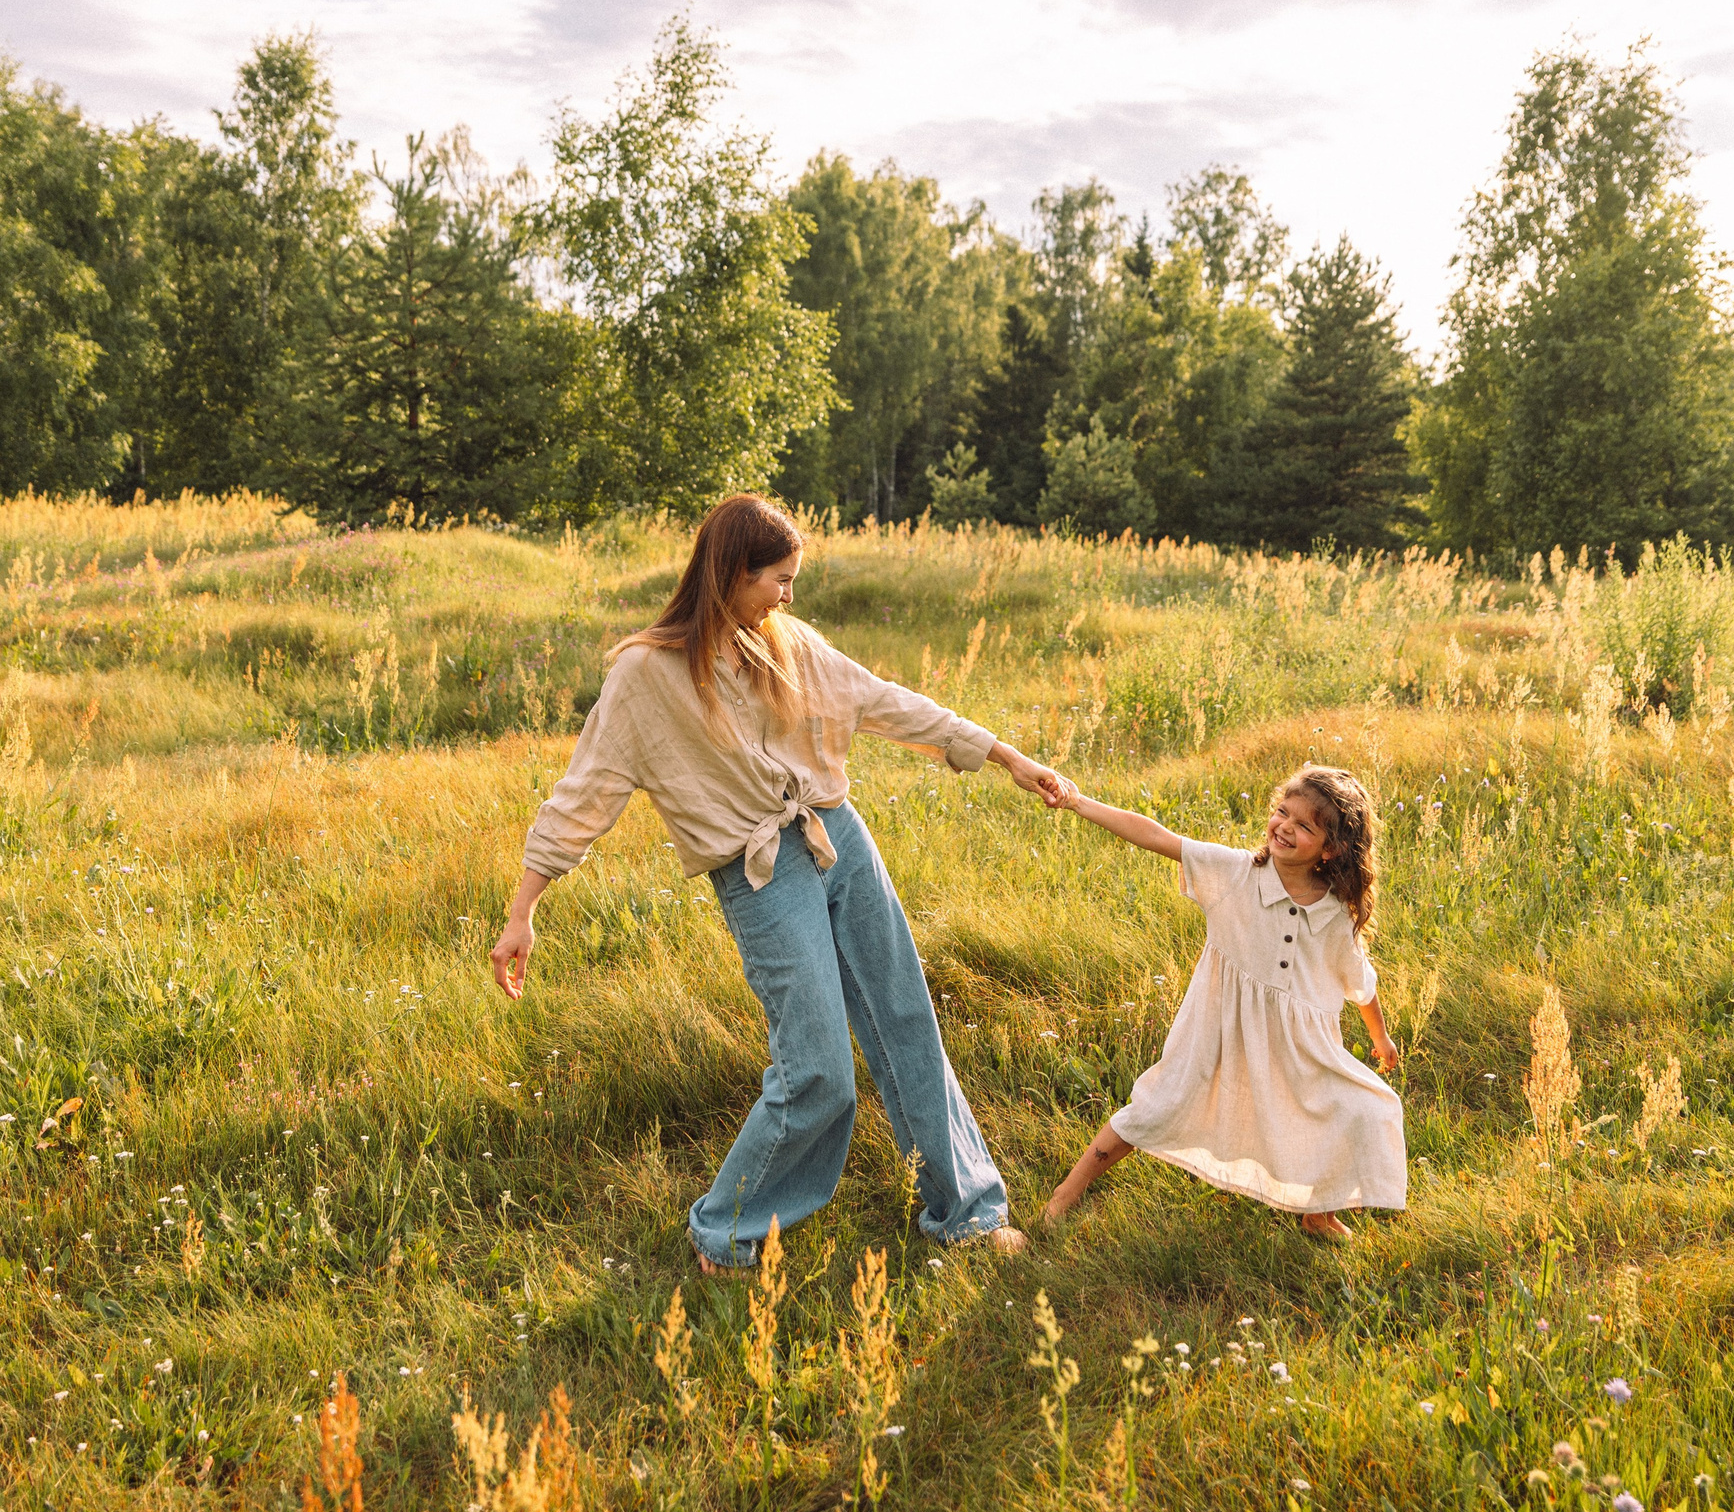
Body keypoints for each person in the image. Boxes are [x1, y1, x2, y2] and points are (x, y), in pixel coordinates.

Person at [488, 495, 1061, 1272]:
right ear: (732, 573)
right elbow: (582, 795)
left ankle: (966, 1211)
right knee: (818, 1066)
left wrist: (1002, 755)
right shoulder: (645, 674)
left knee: (905, 1017)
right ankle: (727, 1232)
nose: (789, 596)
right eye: (779, 580)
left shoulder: (785, 642)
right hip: (759, 869)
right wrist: (524, 908)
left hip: (837, 836)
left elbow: (885, 700)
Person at [1040, 766, 1405, 1242]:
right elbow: (1156, 836)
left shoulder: (1335, 914)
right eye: (1282, 812)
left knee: (1359, 1108)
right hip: (1216, 1032)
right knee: (1154, 1109)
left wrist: (1381, 1037)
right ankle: (1064, 1196)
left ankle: (1318, 1213)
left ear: (1330, 848)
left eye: (1304, 825)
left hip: (1299, 1051)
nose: (1284, 827)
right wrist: (1078, 801)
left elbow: (1361, 983)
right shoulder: (1235, 874)